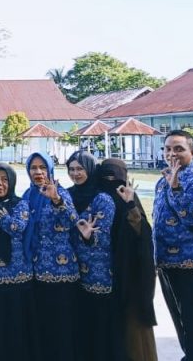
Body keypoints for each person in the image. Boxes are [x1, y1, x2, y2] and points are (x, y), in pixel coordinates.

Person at [153, 130, 193, 361]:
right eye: (168, 149)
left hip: (190, 260)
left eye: (179, 149)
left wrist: (176, 188)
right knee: (177, 315)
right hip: (166, 260)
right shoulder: (162, 180)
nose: (172, 154)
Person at [98, 158, 158, 361]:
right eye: (105, 178)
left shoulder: (131, 200)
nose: (110, 183)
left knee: (135, 335)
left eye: (115, 178)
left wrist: (130, 204)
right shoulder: (97, 200)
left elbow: (142, 236)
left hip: (130, 277)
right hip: (102, 277)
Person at [0, 163, 36, 361]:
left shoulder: (20, 204)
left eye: (5, 179)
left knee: (14, 332)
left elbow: (16, 228)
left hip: (16, 280)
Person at [23, 151, 79, 361]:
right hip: (36, 273)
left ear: (50, 169)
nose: (38, 172)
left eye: (42, 167)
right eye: (33, 167)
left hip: (62, 274)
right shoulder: (28, 195)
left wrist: (56, 200)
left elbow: (73, 220)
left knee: (61, 329)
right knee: (42, 328)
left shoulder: (60, 193)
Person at [67, 151, 118, 361]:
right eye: (71, 169)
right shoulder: (66, 196)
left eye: (80, 169)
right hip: (72, 271)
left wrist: (88, 237)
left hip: (98, 273)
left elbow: (103, 237)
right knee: (80, 325)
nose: (75, 173)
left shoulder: (102, 199)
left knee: (99, 326)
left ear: (90, 169)